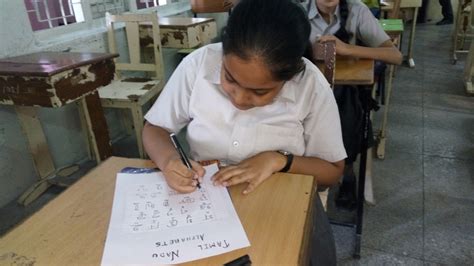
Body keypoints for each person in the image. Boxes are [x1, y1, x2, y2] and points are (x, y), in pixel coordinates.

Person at [143, 0, 346, 264]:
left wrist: (280, 160)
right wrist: (168, 160)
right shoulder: (198, 65)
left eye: (260, 92)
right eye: (230, 79)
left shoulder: (310, 85)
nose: (239, 99)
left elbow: (332, 170)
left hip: (279, 206)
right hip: (204, 203)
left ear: (289, 76)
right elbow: (155, 128)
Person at [299, 0, 402, 210]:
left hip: (343, 91)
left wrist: (348, 49)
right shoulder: (297, 11)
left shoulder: (357, 11)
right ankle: (307, 176)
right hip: (305, 89)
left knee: (346, 116)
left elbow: (395, 56)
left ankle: (346, 171)